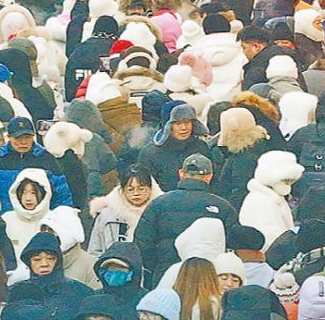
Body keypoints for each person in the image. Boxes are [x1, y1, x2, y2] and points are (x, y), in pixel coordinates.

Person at [134, 154, 237, 286]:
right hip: (207, 278)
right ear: (209, 176)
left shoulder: (158, 204)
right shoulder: (223, 207)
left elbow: (142, 243)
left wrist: (157, 268)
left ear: (181, 174)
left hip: (165, 274)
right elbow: (232, 246)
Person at [0, 117, 72, 214]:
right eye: (18, 138)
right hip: (4, 217)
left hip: (40, 218)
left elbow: (62, 193)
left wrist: (62, 215)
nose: (23, 142)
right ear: (9, 137)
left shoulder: (46, 158)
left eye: (27, 137)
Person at [10, 232, 94, 319]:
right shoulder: (16, 292)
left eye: (50, 259)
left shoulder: (81, 292)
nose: (44, 264)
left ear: (58, 261)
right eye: (37, 259)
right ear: (29, 262)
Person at [89, 164, 161, 257]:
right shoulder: (107, 215)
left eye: (141, 189)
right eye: (130, 189)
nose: (136, 193)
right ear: (122, 190)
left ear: (151, 189)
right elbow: (94, 250)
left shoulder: (160, 212)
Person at [136, 104, 212, 193]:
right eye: (177, 123)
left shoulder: (201, 147)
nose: (184, 128)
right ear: (167, 126)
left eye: (187, 122)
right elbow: (144, 184)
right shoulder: (150, 153)